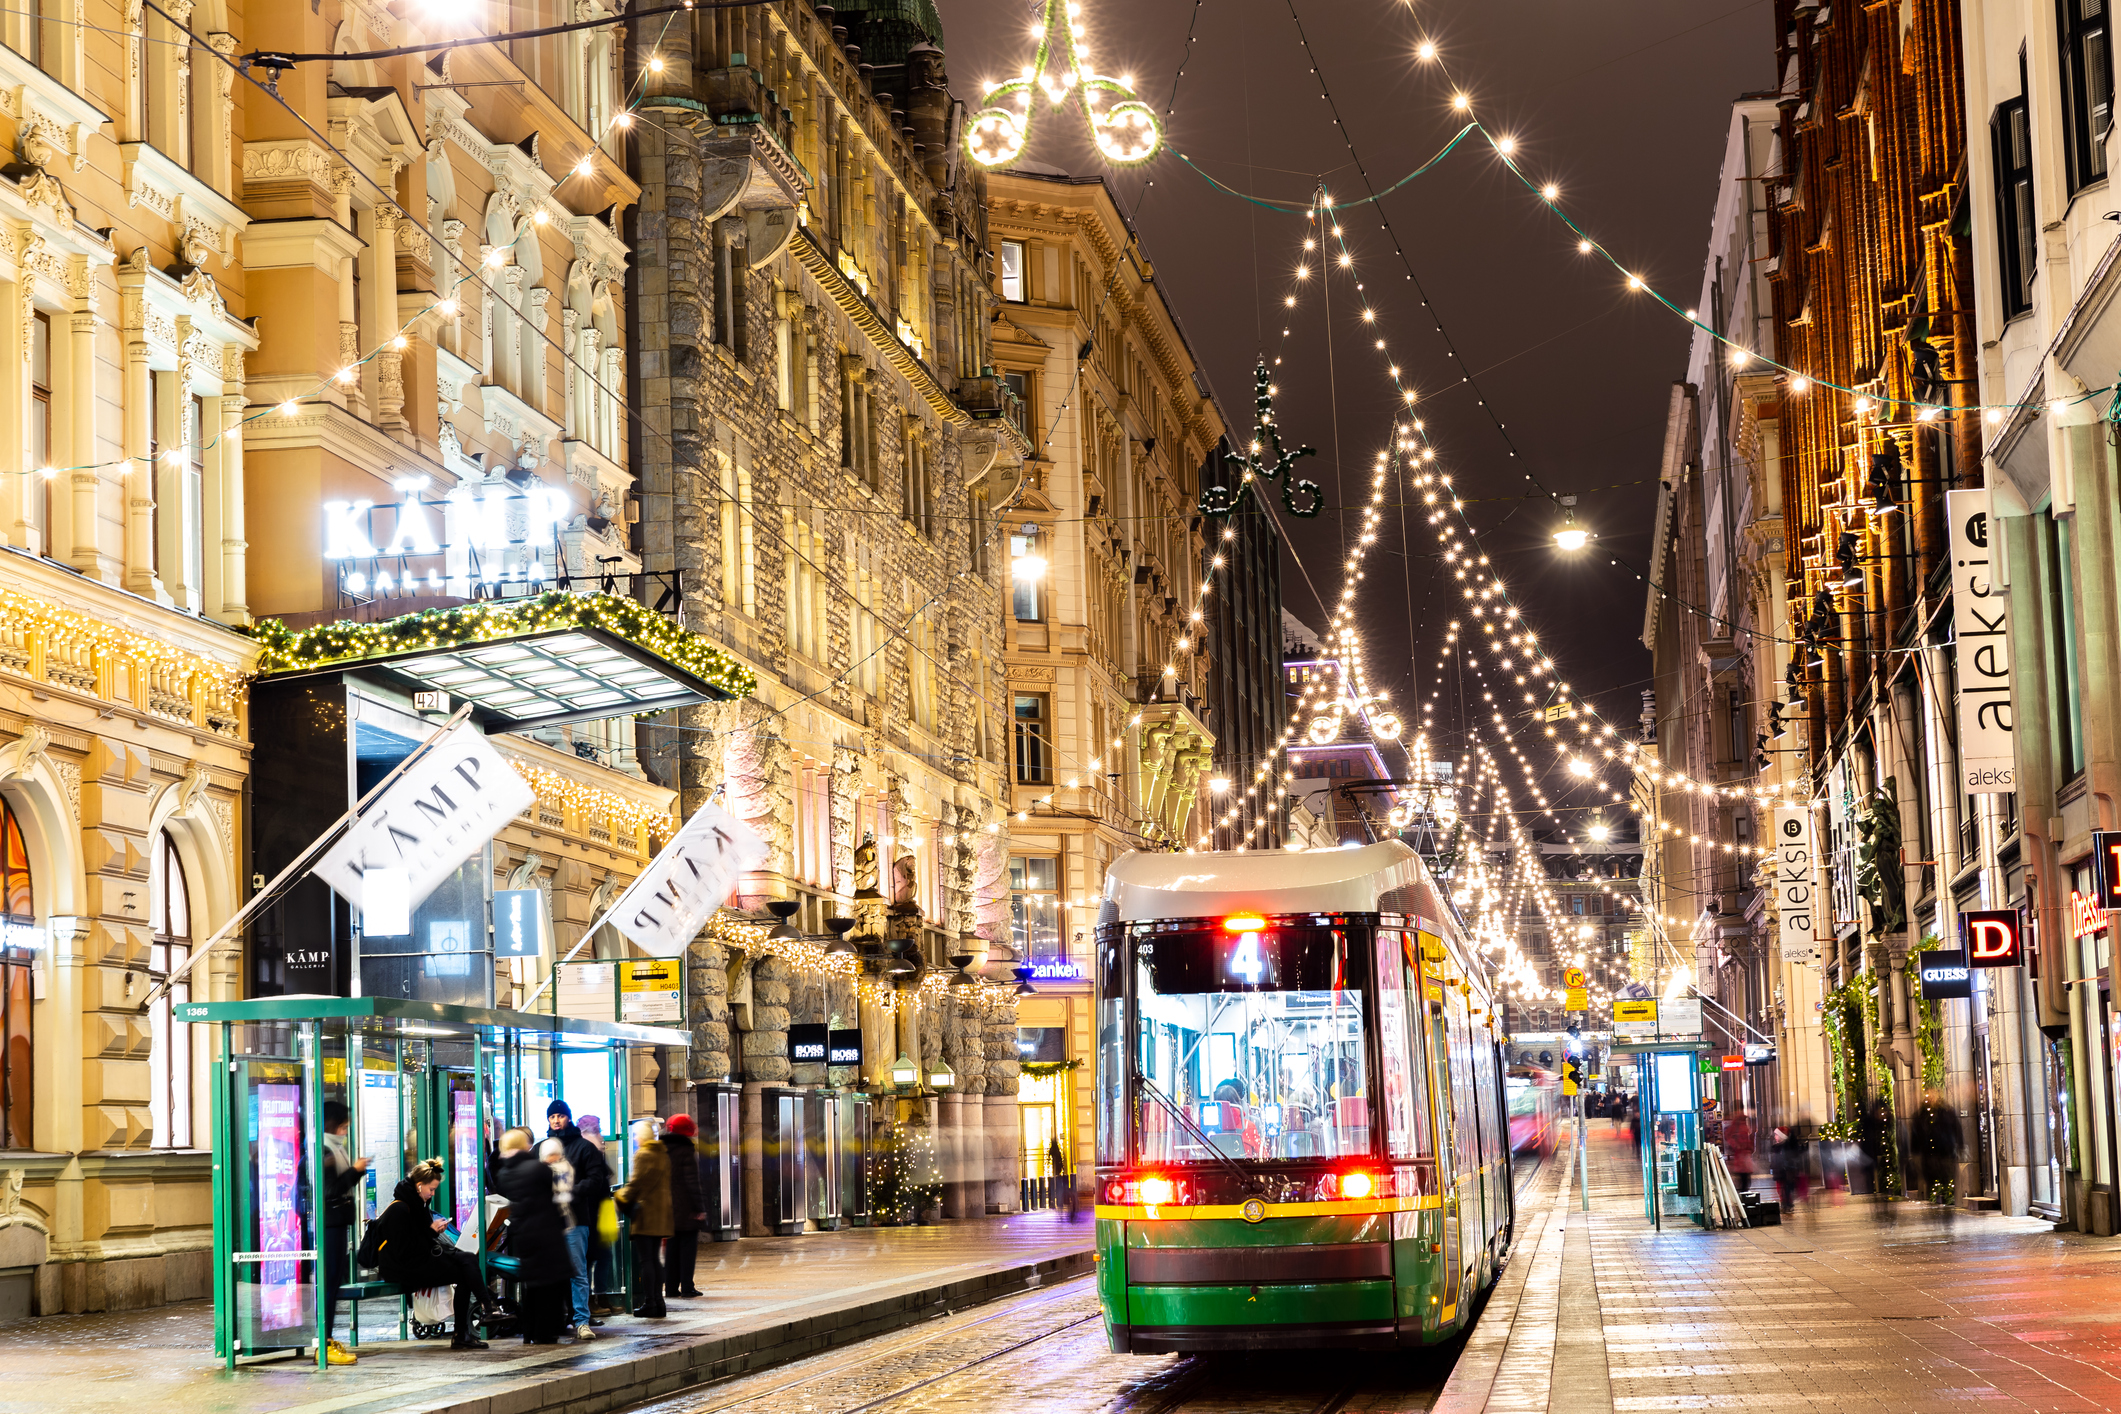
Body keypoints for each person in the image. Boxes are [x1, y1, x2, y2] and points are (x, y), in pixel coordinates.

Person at [365, 1159, 491, 1349]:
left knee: (467, 1263)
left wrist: (433, 1231)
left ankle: (473, 1322)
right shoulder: (400, 1209)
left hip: (417, 1261)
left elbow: (419, 1241)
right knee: (466, 1266)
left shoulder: (419, 1205)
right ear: (419, 1186)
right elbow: (405, 1249)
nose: (432, 1194)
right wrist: (431, 1231)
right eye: (431, 1189)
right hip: (402, 1268)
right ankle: (483, 1313)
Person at [494, 1130, 572, 1344]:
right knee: (551, 1284)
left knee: (534, 1284)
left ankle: (530, 1331)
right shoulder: (538, 1168)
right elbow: (551, 1195)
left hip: (524, 1234)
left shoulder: (505, 1173)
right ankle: (546, 1332)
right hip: (547, 1231)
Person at [546, 1100, 610, 1341]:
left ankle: (581, 1320)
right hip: (550, 1221)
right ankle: (558, 1318)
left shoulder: (584, 1147)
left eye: (560, 1116)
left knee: (578, 1272)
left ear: (568, 1117)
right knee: (556, 1272)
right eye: (552, 1116)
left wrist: (570, 1192)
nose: (556, 1120)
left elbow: (596, 1179)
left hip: (575, 1220)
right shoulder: (543, 1147)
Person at [320, 1100, 371, 1365]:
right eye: (343, 1126)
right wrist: (355, 1171)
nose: (344, 1131)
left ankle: (326, 1339)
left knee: (334, 1283)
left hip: (337, 1224)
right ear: (331, 1124)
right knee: (329, 1284)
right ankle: (323, 1343)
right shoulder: (324, 1150)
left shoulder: (334, 1148)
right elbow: (329, 1191)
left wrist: (356, 1172)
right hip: (329, 1226)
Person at [617, 1119, 672, 1317]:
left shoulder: (643, 1154)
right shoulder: (663, 1154)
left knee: (647, 1260)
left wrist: (620, 1196)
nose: (635, 1139)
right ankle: (659, 1303)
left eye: (636, 1135)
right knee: (655, 1259)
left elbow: (636, 1184)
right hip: (661, 1213)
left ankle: (650, 1303)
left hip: (646, 1214)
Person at [662, 1113, 705, 1299]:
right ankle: (687, 1286)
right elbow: (692, 1181)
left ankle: (671, 1287)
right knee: (688, 1249)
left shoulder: (661, 1148)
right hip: (686, 1208)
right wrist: (699, 1208)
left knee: (671, 1249)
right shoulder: (686, 1150)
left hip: (667, 1206)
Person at [1908, 1089, 1965, 1203]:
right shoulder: (1920, 1115)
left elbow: (1957, 1129)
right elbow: (1915, 1136)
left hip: (1946, 1153)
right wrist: (1915, 1153)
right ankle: (1935, 1202)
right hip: (1928, 1155)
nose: (1931, 1098)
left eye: (1933, 1095)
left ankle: (1948, 1200)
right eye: (1928, 1095)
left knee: (1947, 1180)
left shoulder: (1946, 1112)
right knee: (1931, 1181)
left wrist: (1960, 1146)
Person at [1722, 1108, 1758, 1192]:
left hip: (1743, 1154)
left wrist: (1736, 1145)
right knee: (1744, 1176)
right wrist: (1737, 1145)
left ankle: (1742, 1191)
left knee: (1744, 1176)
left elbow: (1728, 1135)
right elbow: (1729, 1135)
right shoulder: (1739, 1126)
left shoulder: (1740, 1125)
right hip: (1742, 1154)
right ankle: (1743, 1191)